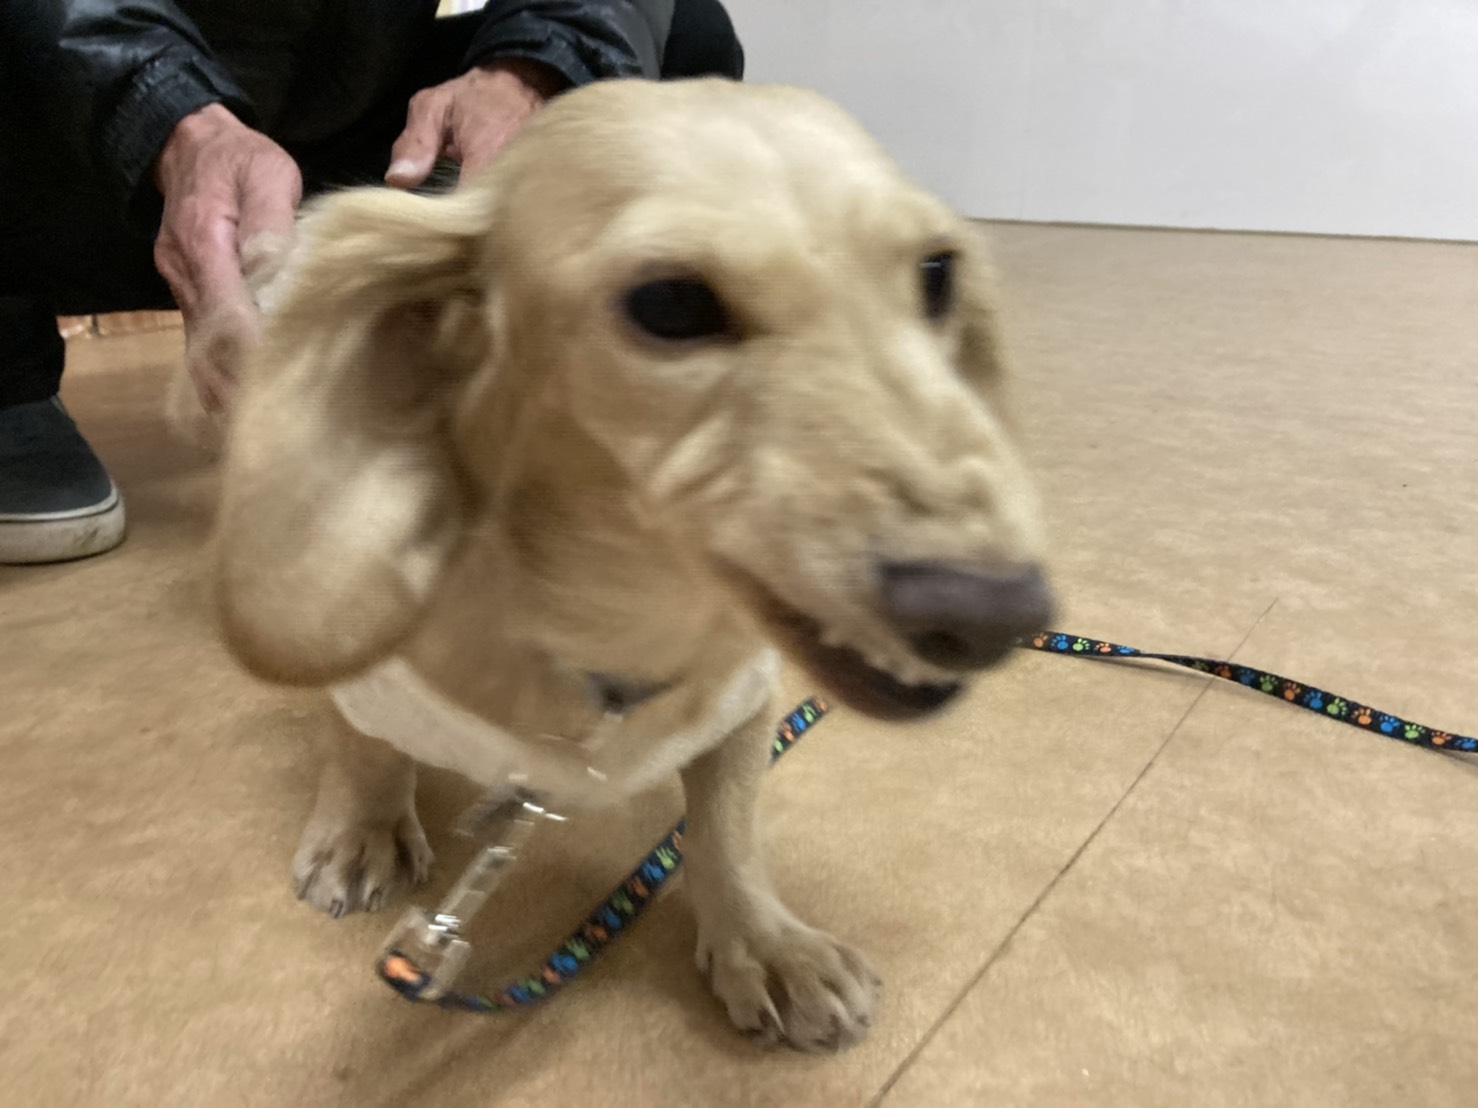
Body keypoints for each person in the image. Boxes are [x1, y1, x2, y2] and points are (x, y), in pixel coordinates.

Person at [0, 0, 743, 564]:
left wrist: (535, 65)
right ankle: (11, 376)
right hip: (67, 133)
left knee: (686, 37)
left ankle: (569, 398)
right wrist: (163, 113)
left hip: (352, 110)